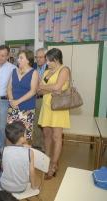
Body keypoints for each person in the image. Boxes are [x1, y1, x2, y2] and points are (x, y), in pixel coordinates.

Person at [38, 48, 70, 179]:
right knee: (46, 135)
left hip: (58, 108)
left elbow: (57, 87)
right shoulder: (46, 71)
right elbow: (39, 90)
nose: (46, 62)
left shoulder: (64, 70)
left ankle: (53, 165)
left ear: (56, 60)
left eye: (48, 60)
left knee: (57, 137)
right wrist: (49, 88)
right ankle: (47, 160)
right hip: (46, 107)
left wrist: (46, 87)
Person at [0, 121, 39, 193]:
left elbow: (3, 167)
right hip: (21, 188)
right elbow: (32, 172)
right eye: (25, 134)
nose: (26, 135)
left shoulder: (3, 150)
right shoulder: (29, 152)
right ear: (21, 138)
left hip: (5, 186)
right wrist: (33, 186)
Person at [7, 50, 38, 141]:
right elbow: (9, 88)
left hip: (27, 108)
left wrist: (18, 101)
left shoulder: (34, 72)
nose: (18, 60)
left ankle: (25, 155)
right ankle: (12, 155)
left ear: (28, 60)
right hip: (13, 107)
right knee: (11, 135)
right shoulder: (14, 71)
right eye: (18, 57)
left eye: (21, 58)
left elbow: (33, 91)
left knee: (25, 136)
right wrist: (12, 100)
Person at [32, 48, 48, 150]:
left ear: (46, 58)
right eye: (36, 57)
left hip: (45, 99)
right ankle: (36, 144)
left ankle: (44, 146)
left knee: (44, 124)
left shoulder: (50, 68)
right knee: (35, 122)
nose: (38, 59)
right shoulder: (33, 67)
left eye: (41, 57)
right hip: (34, 98)